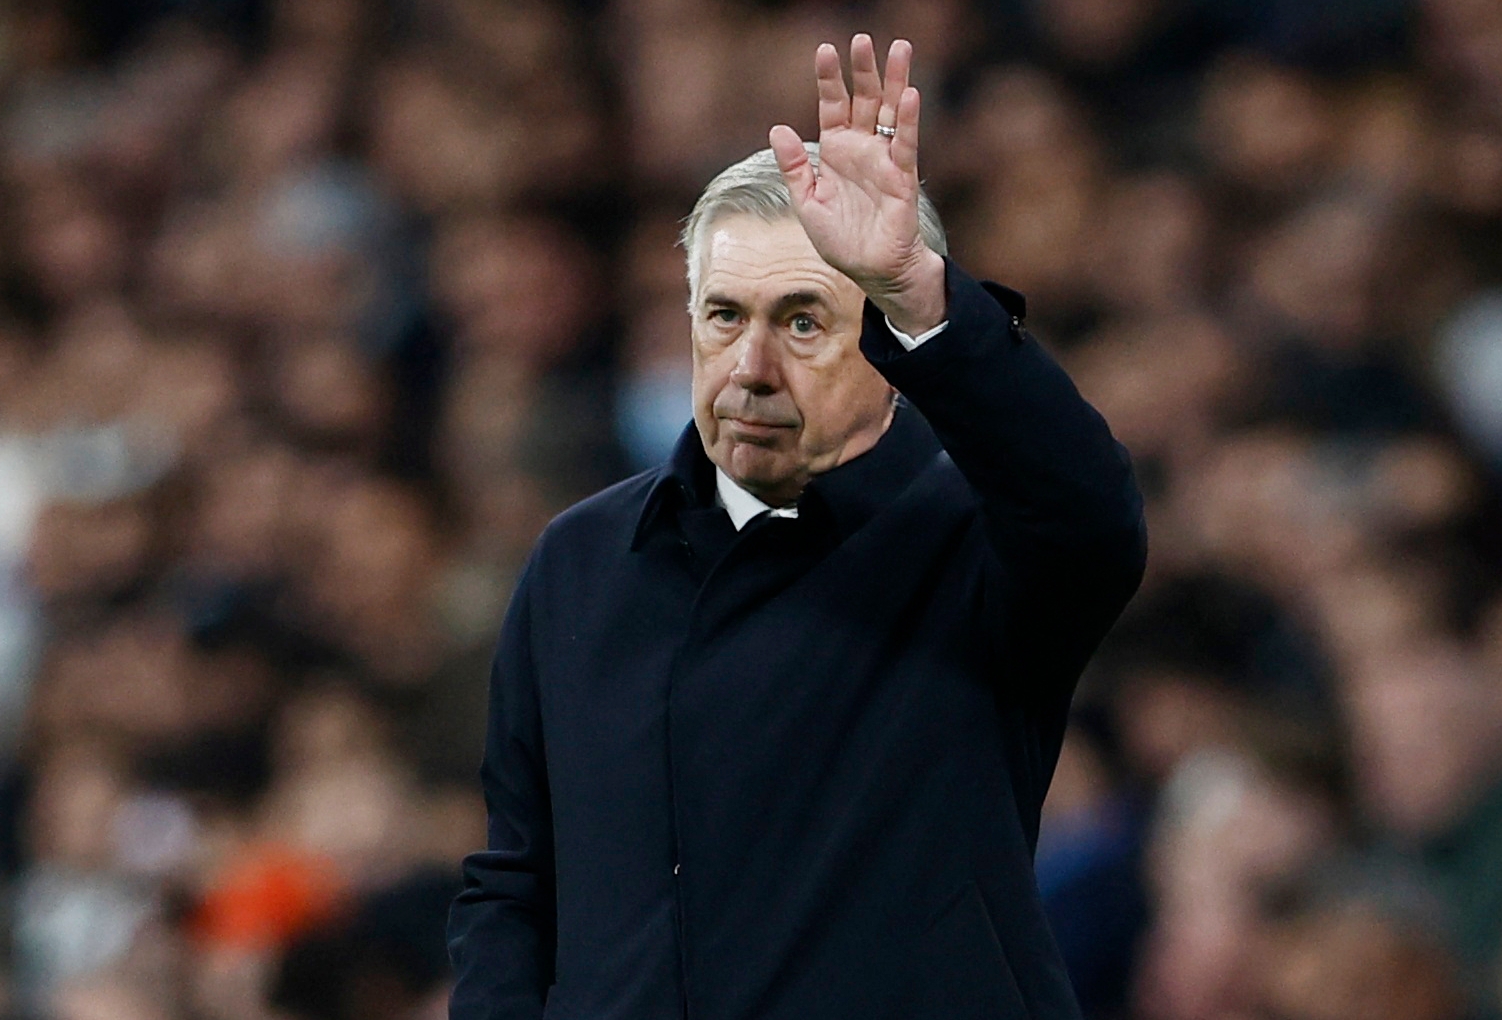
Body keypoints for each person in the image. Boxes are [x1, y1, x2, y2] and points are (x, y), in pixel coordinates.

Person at [445, 35, 1146, 1020]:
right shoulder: (581, 559)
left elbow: (1091, 513)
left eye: (803, 321)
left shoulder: (975, 536)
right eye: (722, 316)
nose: (751, 365)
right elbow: (518, 883)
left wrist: (920, 286)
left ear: (888, 344)